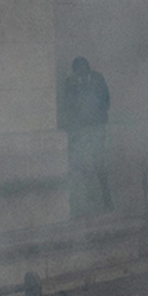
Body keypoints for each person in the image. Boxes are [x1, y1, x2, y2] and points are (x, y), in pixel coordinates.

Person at [57, 57, 112, 216]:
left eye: (83, 68)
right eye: (78, 70)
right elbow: (68, 104)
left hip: (97, 127)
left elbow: (106, 98)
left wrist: (99, 115)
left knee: (98, 165)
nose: (81, 72)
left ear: (88, 68)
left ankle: (106, 202)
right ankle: (86, 206)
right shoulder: (71, 82)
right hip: (81, 129)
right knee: (82, 166)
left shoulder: (97, 78)